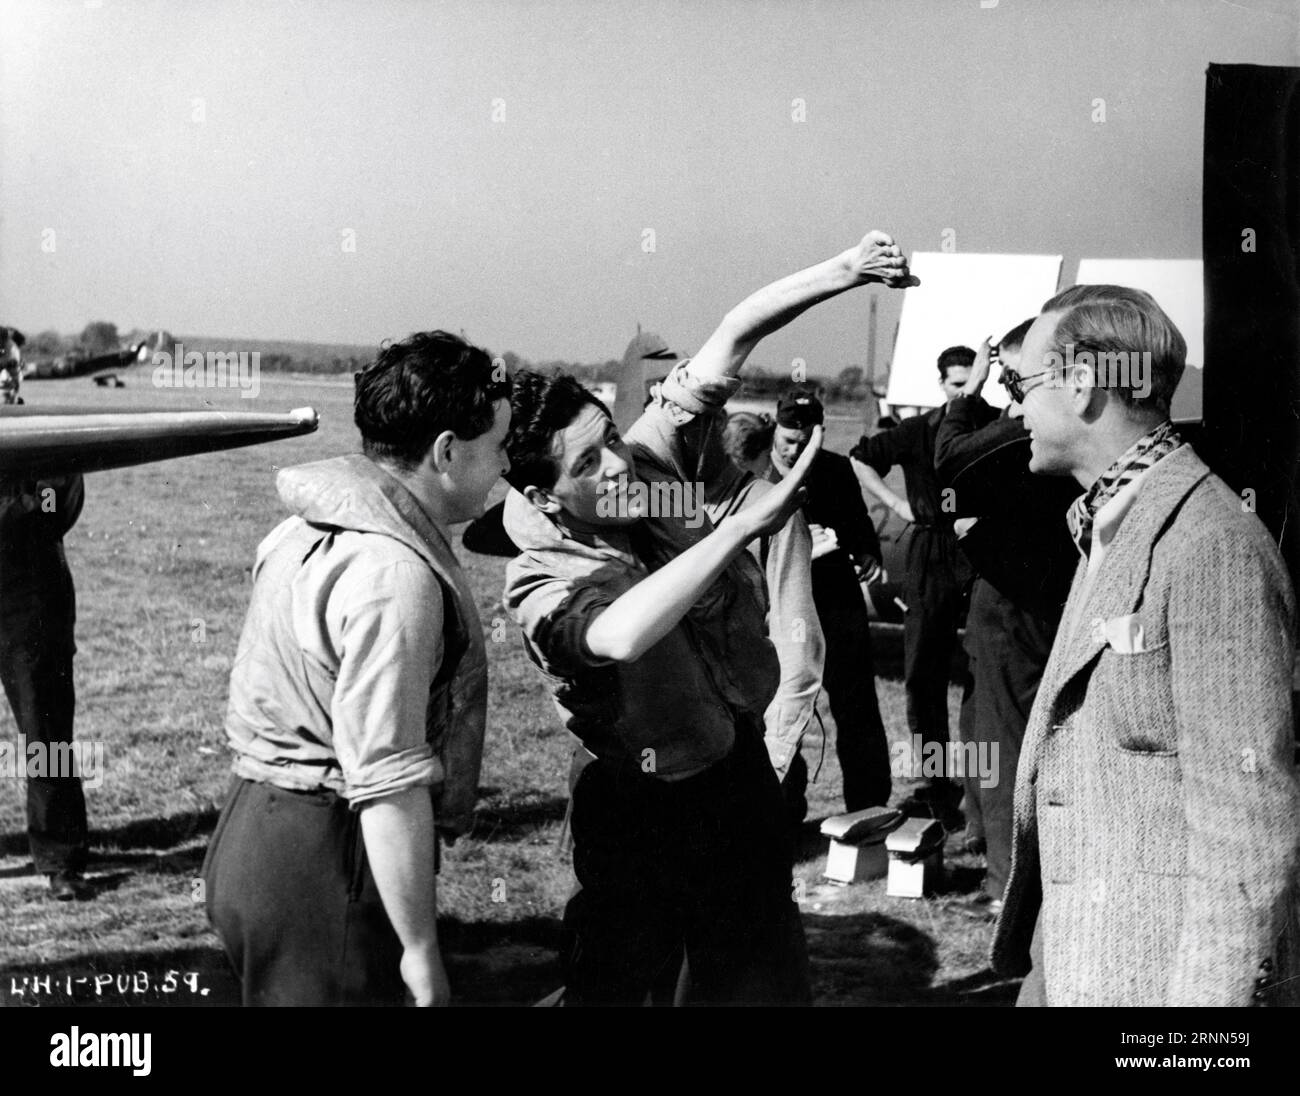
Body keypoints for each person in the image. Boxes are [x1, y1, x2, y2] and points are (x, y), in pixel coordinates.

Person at [501, 230, 915, 1006]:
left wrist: (848, 270)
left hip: (737, 783)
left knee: (761, 988)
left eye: (612, 443)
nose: (621, 468)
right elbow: (618, 633)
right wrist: (735, 530)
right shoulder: (542, 577)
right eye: (587, 465)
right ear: (542, 496)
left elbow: (734, 334)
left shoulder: (650, 467)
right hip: (641, 816)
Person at [991, 284, 1300, 1006]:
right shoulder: (1111, 521)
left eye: (1021, 385)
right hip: (1074, 960)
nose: (1013, 410)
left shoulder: (1211, 546)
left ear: (1084, 384)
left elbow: (1248, 842)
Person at [204, 331, 511, 1006]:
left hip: (253, 831)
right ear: (447, 452)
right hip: (324, 857)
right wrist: (422, 951)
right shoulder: (396, 574)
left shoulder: (303, 528)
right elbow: (385, 782)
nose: (507, 464)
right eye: (497, 447)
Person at [932, 320, 1081, 904]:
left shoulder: (1022, 431)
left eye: (1017, 379)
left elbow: (949, 459)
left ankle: (1008, 889)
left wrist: (968, 394)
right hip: (1055, 598)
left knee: (1001, 744)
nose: (1014, 394)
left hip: (1013, 604)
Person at [850, 347, 977, 828]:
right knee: (923, 671)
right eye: (955, 384)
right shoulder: (920, 430)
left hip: (980, 548)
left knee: (984, 669)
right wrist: (898, 506)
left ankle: (986, 791)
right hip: (930, 549)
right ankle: (936, 784)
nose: (963, 391)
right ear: (941, 383)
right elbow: (862, 458)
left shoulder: (991, 423)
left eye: (970, 382)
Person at [769, 390, 892, 816]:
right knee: (779, 710)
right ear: (775, 426)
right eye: (788, 439)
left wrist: (868, 554)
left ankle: (870, 805)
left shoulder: (837, 470)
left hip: (836, 600)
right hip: (779, 607)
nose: (796, 448)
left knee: (855, 703)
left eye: (806, 441)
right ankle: (781, 810)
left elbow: (859, 525)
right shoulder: (753, 475)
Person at [0, 325, 90, 901]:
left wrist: (26, 496)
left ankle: (59, 859)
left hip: (30, 601)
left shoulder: (48, 435)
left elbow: (55, 507)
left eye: (10, 368)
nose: (6, 377)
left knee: (46, 729)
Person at [712, 411, 825, 824]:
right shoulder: (667, 504)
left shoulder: (776, 512)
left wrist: (776, 752)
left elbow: (798, 638)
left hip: (754, 714)